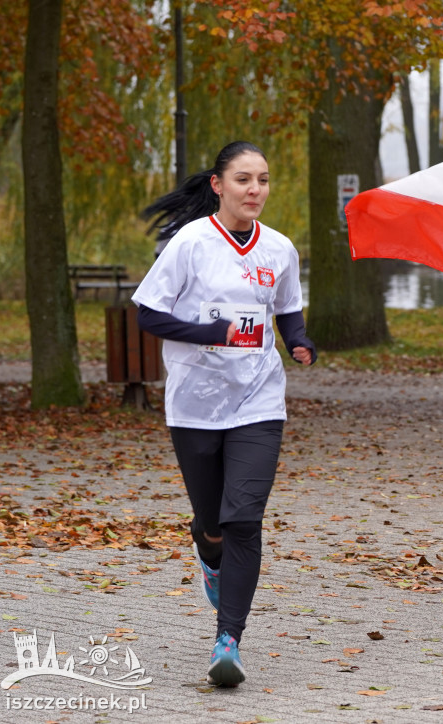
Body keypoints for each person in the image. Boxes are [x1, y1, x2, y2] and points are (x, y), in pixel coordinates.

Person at [133, 141, 316, 687]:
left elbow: (286, 307)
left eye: (262, 179)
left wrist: (300, 341)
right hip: (195, 404)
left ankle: (228, 640)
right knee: (213, 522)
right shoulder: (190, 243)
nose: (254, 190)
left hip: (258, 400)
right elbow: (148, 313)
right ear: (218, 185)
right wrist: (210, 333)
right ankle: (207, 549)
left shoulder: (280, 248)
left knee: (244, 519)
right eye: (242, 180)